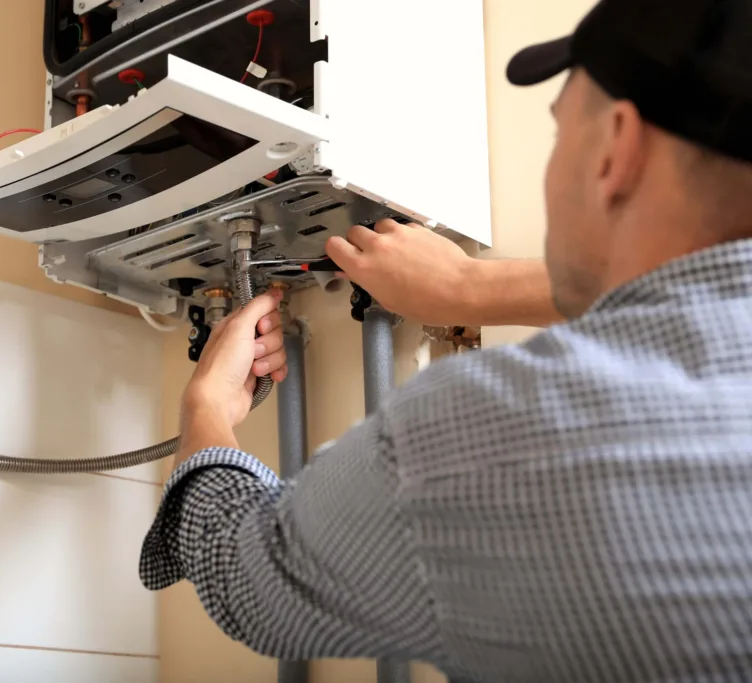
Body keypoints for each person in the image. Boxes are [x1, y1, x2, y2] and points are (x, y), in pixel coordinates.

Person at [139, 0, 752, 679]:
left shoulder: (490, 435)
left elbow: (247, 577)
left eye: (560, 130)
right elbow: (679, 295)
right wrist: (471, 287)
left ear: (617, 148)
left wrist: (207, 406)